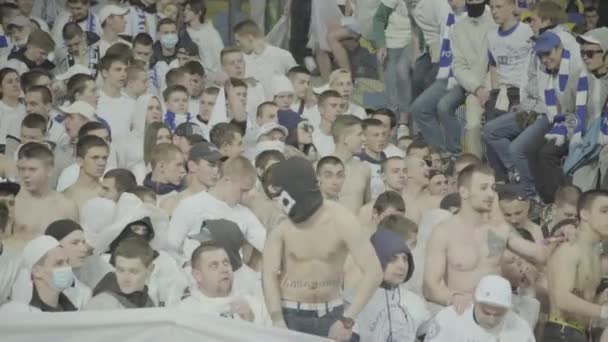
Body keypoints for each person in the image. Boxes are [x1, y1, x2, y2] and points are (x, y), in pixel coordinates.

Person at [263, 157, 383, 340]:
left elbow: (374, 272)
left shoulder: (342, 219)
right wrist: (277, 319)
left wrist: (347, 319)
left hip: (332, 314)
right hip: (291, 313)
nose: (278, 200)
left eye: (280, 193)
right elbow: (269, 274)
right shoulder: (281, 223)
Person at [423, 164, 551, 311]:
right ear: (464, 192)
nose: (490, 194)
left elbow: (541, 255)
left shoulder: (499, 231)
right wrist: (454, 298)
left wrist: (563, 238)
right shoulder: (443, 232)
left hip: (497, 316)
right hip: (461, 314)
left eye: (493, 188)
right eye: (483, 188)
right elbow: (430, 287)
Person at [167, 156, 266, 260]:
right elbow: (170, 248)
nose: (245, 196)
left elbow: (267, 246)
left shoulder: (245, 214)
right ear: (227, 180)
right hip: (195, 272)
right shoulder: (189, 205)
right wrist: (187, 266)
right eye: (243, 190)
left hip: (234, 272)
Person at [544, 190, 608, 342]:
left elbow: (583, 300)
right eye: (604, 211)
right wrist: (603, 311)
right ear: (585, 214)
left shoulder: (594, 255)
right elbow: (562, 298)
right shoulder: (569, 246)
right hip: (561, 332)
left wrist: (601, 299)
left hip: (579, 333)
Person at [410, 0, 467, 157]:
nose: (452, 2)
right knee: (419, 108)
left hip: (469, 79)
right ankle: (440, 154)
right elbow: (445, 50)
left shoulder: (483, 15)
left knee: (443, 106)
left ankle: (456, 153)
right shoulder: (449, 17)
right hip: (448, 74)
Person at [351, 229, 430, 342]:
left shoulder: (415, 301)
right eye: (392, 259)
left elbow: (431, 335)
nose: (402, 266)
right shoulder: (353, 300)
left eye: (405, 259)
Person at [178, 241, 270, 325]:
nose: (224, 269)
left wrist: (252, 323)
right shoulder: (184, 312)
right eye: (214, 266)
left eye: (226, 263)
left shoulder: (255, 306)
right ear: (197, 275)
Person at [424, 275, 535, 341]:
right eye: (486, 312)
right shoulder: (448, 319)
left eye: (499, 314)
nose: (491, 320)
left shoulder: (521, 328)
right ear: (474, 300)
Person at [452, 0, 496, 157]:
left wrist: (489, 88)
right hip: (474, 89)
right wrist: (477, 88)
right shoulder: (458, 28)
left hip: (498, 88)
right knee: (473, 125)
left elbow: (496, 64)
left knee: (495, 127)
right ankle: (475, 168)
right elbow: (459, 66)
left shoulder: (495, 22)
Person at [14, 143, 78, 242]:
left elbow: (74, 243)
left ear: (50, 170)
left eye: (32, 169)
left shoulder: (66, 205)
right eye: (22, 169)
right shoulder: (11, 202)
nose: (26, 175)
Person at [1, 235, 77, 312]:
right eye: (59, 263)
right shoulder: (17, 312)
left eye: (67, 262)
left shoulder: (76, 306)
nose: (67, 267)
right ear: (36, 271)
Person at [86, 237, 156, 310]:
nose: (125, 278)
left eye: (133, 271)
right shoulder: (100, 305)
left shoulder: (148, 302)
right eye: (120, 270)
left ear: (150, 270)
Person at [233, 19, 296, 99]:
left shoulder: (282, 55)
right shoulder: (240, 61)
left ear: (250, 37)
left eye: (238, 41)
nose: (237, 45)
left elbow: (298, 79)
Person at [160, 142, 226, 216]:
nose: (216, 171)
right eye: (211, 165)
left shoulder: (223, 205)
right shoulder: (171, 203)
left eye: (219, 165)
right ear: (192, 166)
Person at [44, 219, 93, 309]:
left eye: (83, 242)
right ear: (54, 246)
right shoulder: (32, 284)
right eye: (75, 243)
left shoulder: (84, 293)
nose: (84, 249)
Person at [332, 115, 371, 214]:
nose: (364, 139)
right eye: (359, 134)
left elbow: (368, 207)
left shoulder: (364, 169)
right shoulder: (319, 168)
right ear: (345, 138)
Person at [63, 135, 109, 210]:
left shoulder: (109, 194)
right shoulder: (66, 196)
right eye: (95, 158)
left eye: (104, 158)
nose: (102, 163)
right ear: (80, 161)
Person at [97, 53, 135, 142]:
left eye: (125, 70)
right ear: (105, 73)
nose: (123, 74)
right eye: (118, 70)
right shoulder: (95, 100)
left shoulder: (131, 103)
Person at [183, 0, 224, 76]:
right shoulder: (184, 32)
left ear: (199, 12)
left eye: (189, 9)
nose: (185, 12)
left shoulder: (210, 31)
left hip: (213, 74)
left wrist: (219, 74)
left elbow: (219, 54)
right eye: (184, 9)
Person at [357, 118, 388, 199]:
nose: (381, 139)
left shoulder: (390, 161)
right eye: (376, 135)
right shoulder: (357, 162)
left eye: (383, 134)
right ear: (364, 138)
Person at [312, 90, 343, 157]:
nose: (339, 109)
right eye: (333, 105)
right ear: (321, 109)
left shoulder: (344, 137)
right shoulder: (312, 137)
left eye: (341, 106)